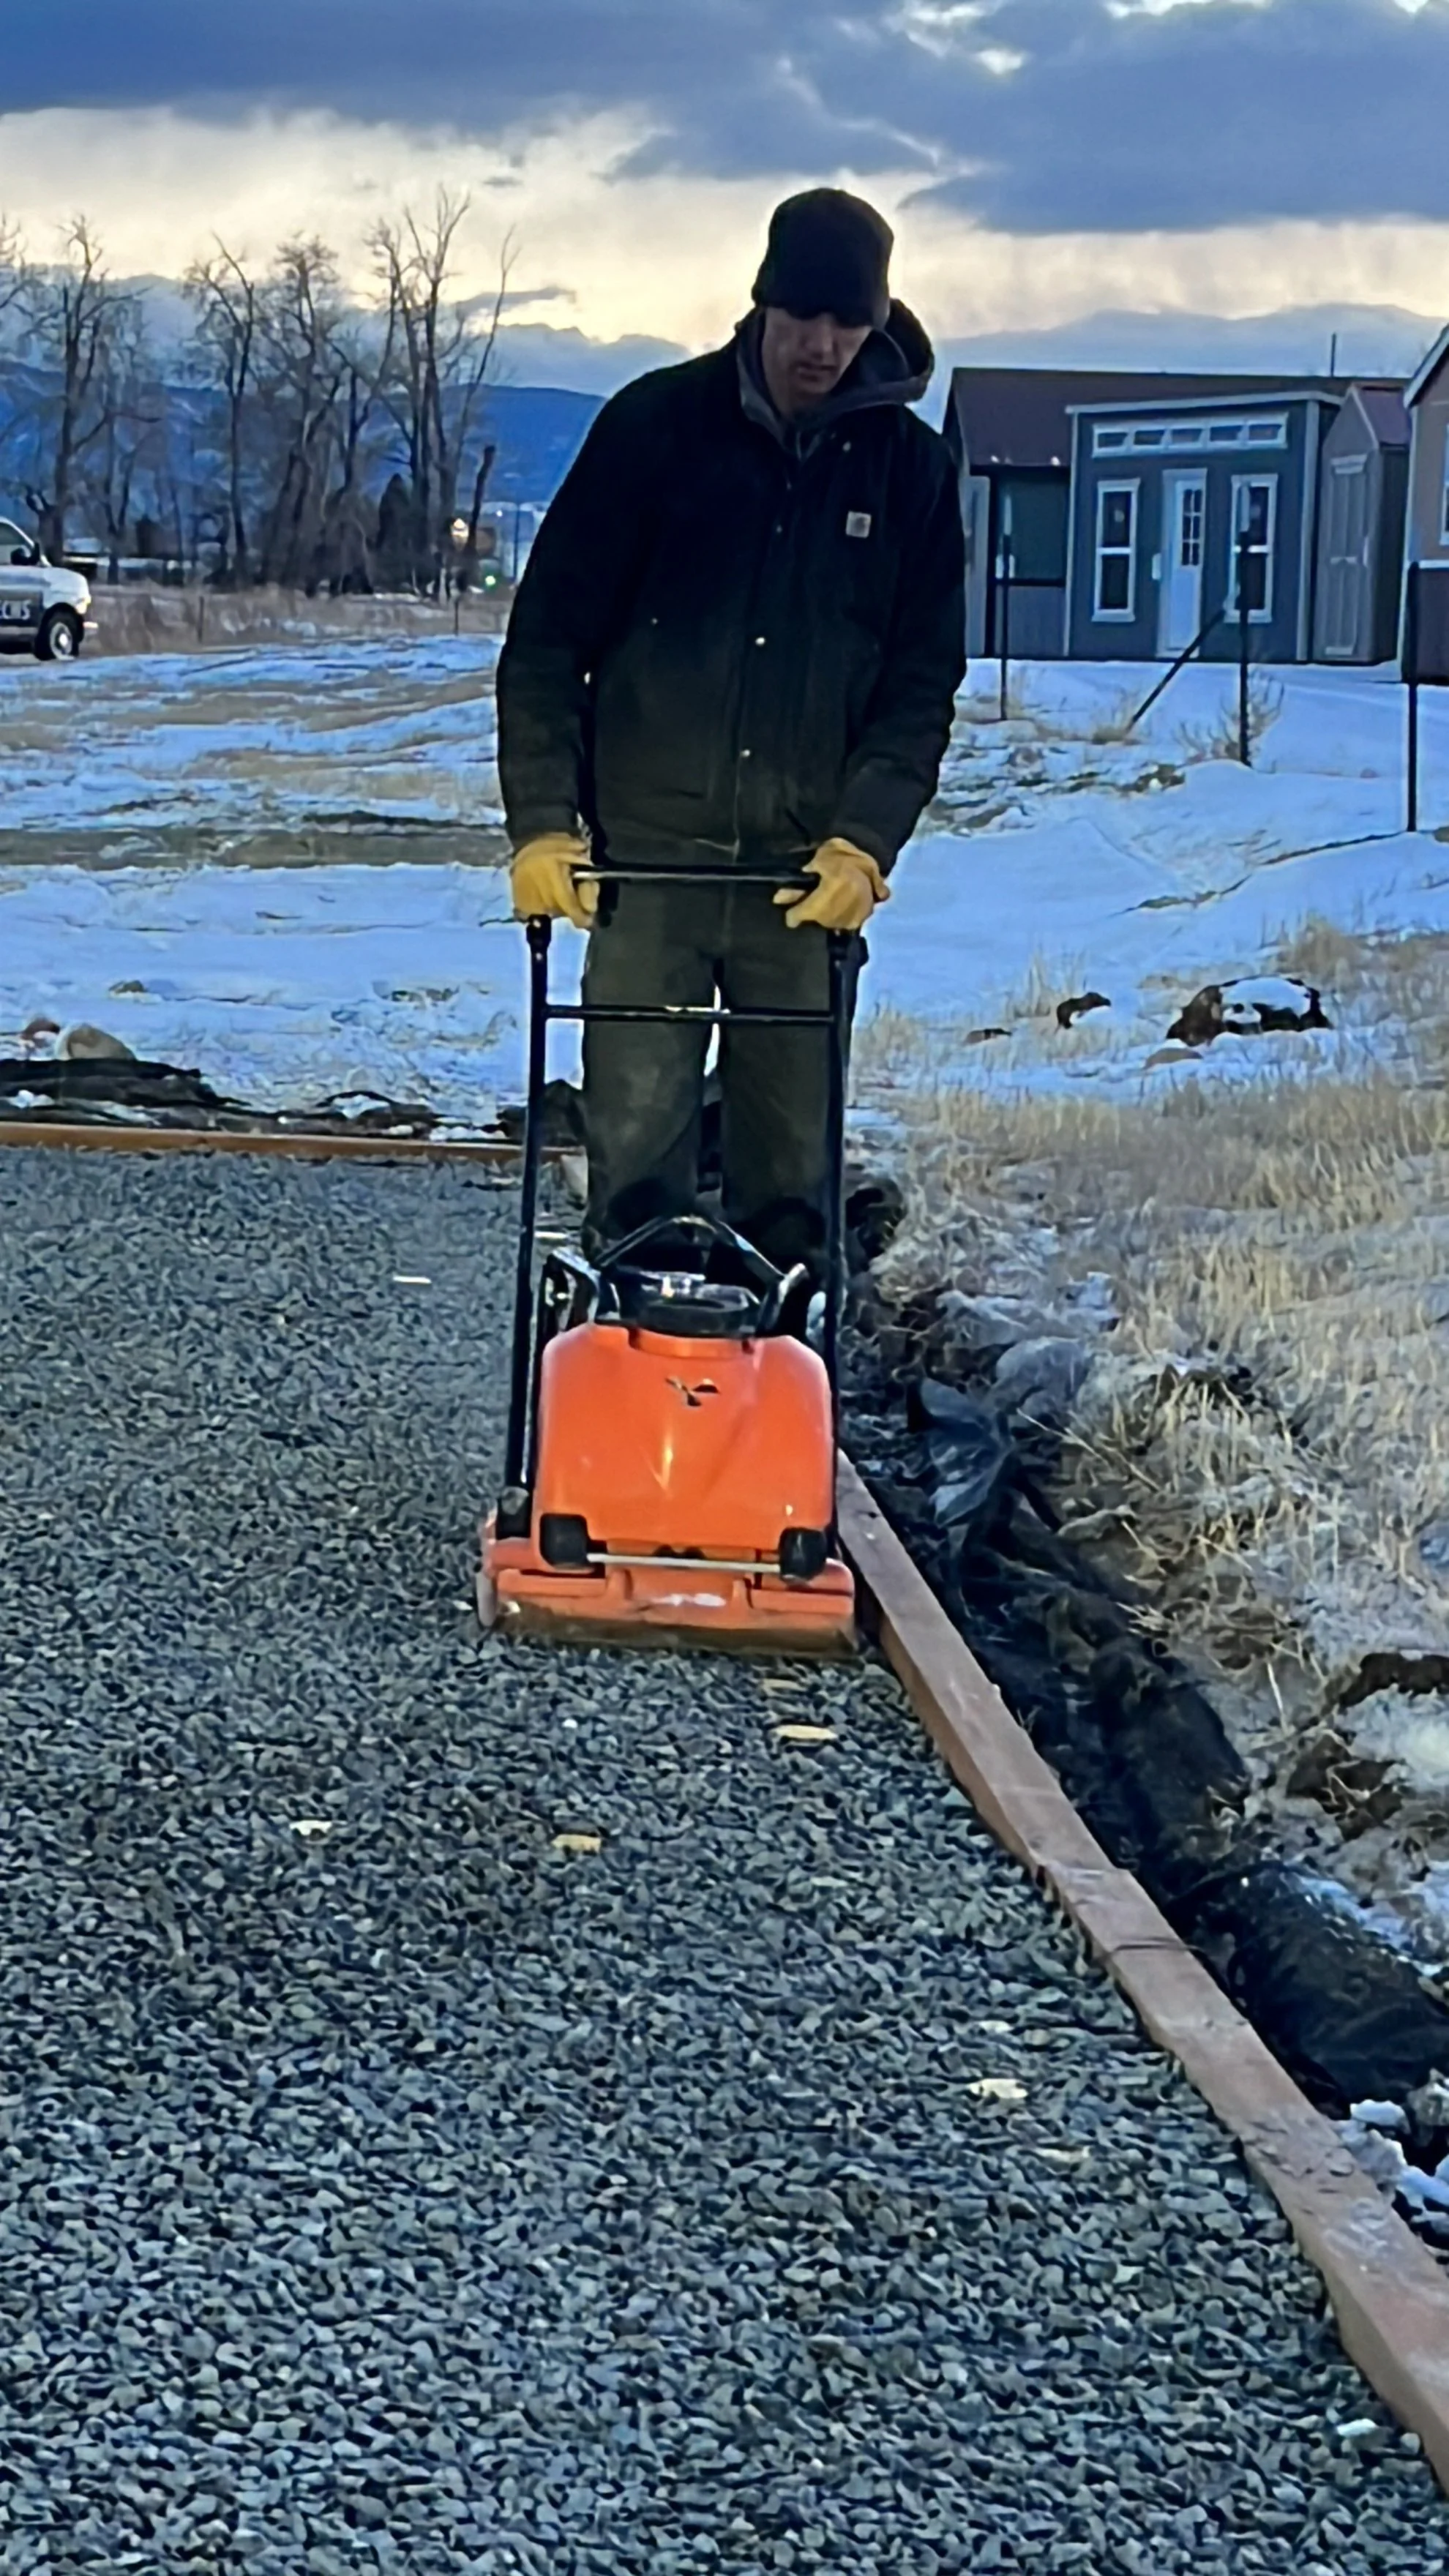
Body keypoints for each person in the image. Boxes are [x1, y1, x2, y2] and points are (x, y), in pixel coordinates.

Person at [496, 186, 965, 1278]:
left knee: (792, 1183)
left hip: (801, 886)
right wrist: (541, 825)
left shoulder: (908, 474)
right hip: (645, 872)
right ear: (760, 307)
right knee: (637, 1160)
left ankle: (780, 1401)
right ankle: (626, 1384)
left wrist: (867, 840)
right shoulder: (655, 429)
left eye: (846, 326)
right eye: (801, 320)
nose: (822, 347)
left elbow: (920, 682)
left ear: (877, 321)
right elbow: (547, 641)